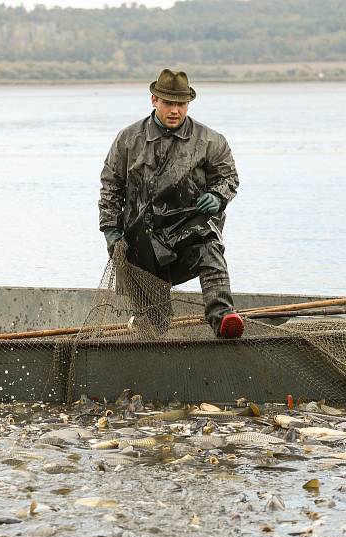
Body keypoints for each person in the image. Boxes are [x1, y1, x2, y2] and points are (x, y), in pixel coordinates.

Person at [99, 68, 244, 339]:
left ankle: (223, 317)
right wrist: (111, 231)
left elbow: (229, 178)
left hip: (189, 228)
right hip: (141, 234)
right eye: (168, 103)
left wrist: (217, 196)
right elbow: (110, 188)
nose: (175, 110)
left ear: (188, 104)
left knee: (210, 250)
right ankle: (153, 334)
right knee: (153, 321)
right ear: (154, 100)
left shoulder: (211, 141)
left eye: (181, 104)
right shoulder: (128, 139)